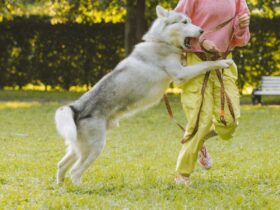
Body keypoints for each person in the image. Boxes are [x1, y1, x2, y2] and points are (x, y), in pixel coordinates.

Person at [173, 0, 250, 185]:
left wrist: (241, 27)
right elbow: (174, 26)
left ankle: (199, 143)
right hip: (197, 63)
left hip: (224, 63)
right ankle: (182, 174)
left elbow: (241, 39)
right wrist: (200, 42)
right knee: (200, 121)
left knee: (229, 124)